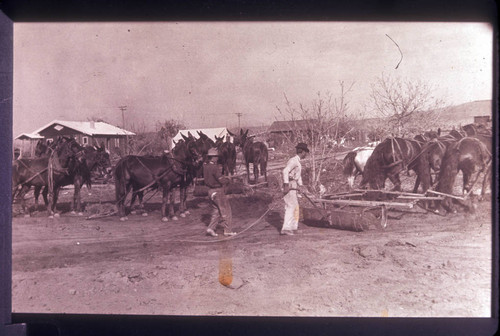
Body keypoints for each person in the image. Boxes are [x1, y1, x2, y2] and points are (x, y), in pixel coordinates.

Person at [203, 148, 236, 237]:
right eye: (216, 157)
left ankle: (210, 228)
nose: (217, 158)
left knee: (216, 211)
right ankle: (228, 230)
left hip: (210, 192)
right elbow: (221, 180)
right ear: (212, 158)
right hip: (218, 191)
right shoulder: (215, 167)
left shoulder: (205, 167)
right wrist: (228, 179)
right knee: (226, 210)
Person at [281, 142, 309, 235]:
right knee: (290, 205)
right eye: (306, 152)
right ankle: (286, 228)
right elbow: (285, 171)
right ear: (303, 152)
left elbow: (298, 175)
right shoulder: (293, 161)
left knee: (296, 206)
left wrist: (301, 185)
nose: (306, 154)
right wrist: (286, 184)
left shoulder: (297, 162)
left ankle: (293, 227)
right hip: (289, 184)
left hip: (293, 184)